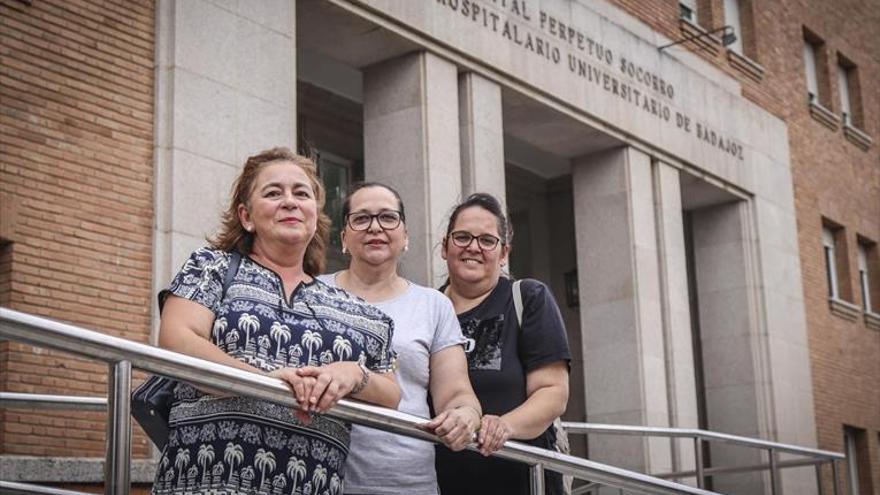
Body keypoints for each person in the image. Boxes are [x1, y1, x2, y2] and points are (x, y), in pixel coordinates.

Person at [152, 148, 401, 495]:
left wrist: (354, 375)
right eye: (273, 193)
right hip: (205, 481)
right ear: (246, 216)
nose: (290, 202)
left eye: (302, 193)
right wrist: (267, 383)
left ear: (315, 215)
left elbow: (391, 394)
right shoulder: (213, 267)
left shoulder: (360, 312)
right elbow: (177, 339)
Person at [318, 182, 482, 494]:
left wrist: (465, 415)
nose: (375, 227)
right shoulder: (314, 292)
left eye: (388, 217)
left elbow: (457, 393)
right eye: (362, 218)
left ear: (405, 236)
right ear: (343, 238)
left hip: (407, 480)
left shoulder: (433, 304)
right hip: (323, 475)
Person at [435, 192, 571, 495]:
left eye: (487, 240)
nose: (473, 247)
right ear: (445, 247)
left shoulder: (528, 298)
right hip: (442, 481)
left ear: (504, 252)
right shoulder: (428, 309)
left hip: (521, 480)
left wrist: (503, 427)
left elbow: (553, 392)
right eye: (462, 237)